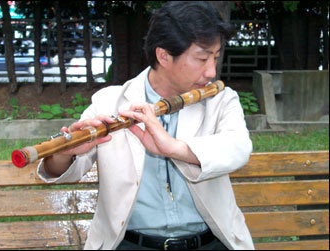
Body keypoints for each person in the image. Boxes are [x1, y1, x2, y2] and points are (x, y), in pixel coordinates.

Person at [37, 1, 254, 250]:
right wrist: (64, 154)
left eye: (215, 58)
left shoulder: (221, 100)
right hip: (130, 244)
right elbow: (64, 171)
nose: (211, 72)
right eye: (202, 59)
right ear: (163, 56)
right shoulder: (110, 102)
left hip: (209, 242)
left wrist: (173, 147)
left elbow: (238, 148)